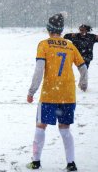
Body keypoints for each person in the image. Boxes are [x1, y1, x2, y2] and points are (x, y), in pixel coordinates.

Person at [26, 13, 88, 171]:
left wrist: (32, 91)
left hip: (50, 94)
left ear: (49, 29)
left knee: (40, 126)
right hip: (68, 94)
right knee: (65, 129)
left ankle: (36, 162)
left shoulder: (44, 44)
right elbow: (83, 67)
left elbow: (39, 70)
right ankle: (71, 163)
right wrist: (83, 82)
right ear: (61, 30)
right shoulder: (70, 45)